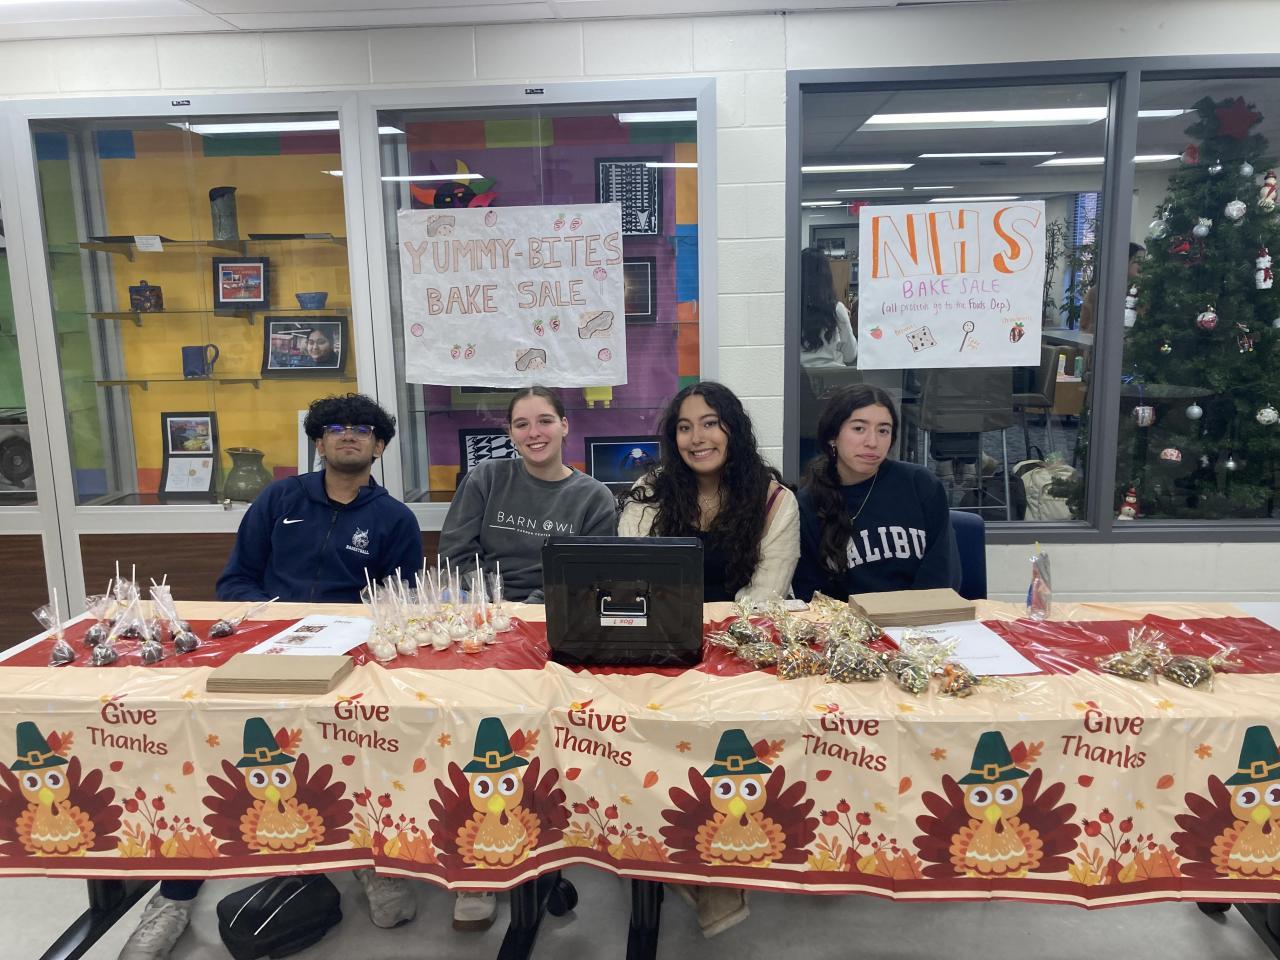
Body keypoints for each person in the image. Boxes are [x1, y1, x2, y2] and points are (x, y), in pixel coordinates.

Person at [120, 394, 439, 960]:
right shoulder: (278, 499)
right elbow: (235, 580)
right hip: (266, 649)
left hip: (352, 659)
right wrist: (279, 624)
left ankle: (370, 862)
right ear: (319, 440)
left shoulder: (395, 519)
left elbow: (402, 604)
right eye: (335, 427)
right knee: (205, 755)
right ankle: (174, 896)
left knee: (361, 752)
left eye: (362, 429)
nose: (348, 435)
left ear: (380, 446)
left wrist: (347, 633)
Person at [619, 382, 799, 605]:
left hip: (746, 624)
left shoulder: (775, 500)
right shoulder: (650, 490)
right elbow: (637, 579)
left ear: (734, 429)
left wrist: (718, 623)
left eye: (710, 423)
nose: (696, 438)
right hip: (667, 621)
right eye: (685, 428)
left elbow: (765, 597)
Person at [438, 386, 617, 602]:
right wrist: (494, 605)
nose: (533, 433)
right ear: (511, 433)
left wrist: (528, 610)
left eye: (545, 421)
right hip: (486, 608)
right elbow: (455, 554)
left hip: (555, 611)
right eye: (522, 424)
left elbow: (587, 576)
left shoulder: (595, 498)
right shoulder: (485, 478)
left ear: (564, 426)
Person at [793, 384, 960, 601]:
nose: (872, 442)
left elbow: (942, 576)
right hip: (849, 621)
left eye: (883, 431)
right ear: (833, 436)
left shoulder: (921, 485)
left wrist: (909, 618)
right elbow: (813, 597)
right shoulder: (808, 503)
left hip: (923, 616)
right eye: (859, 429)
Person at [799, 247, 856, 367]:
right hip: (833, 375)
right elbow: (850, 355)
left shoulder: (790, 310)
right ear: (827, 277)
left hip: (798, 375)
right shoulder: (837, 309)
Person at [1078, 242, 1145, 336]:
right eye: (1138, 261)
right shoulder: (1099, 291)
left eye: (1144, 261)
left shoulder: (1143, 292)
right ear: (1124, 261)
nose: (1143, 266)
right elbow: (1085, 328)